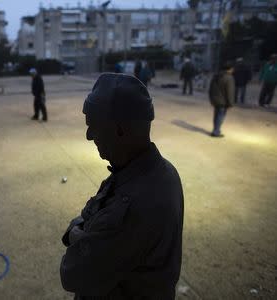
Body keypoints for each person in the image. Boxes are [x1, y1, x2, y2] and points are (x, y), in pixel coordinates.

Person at [60, 73, 184, 299]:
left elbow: (72, 273)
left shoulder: (133, 206)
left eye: (93, 126)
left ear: (119, 130)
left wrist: (77, 235)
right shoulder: (162, 171)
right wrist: (86, 235)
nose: (89, 136)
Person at [209, 62, 235, 138]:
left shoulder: (216, 75)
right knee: (220, 116)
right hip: (223, 101)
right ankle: (216, 132)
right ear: (230, 69)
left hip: (215, 100)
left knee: (216, 116)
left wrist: (211, 99)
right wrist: (231, 103)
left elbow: (210, 89)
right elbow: (230, 92)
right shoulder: (229, 77)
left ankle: (215, 130)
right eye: (233, 68)